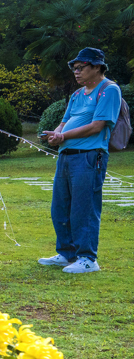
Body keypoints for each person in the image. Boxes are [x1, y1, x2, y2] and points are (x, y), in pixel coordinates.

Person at [38, 47, 121, 274]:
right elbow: (64, 122)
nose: (76, 72)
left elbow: (97, 126)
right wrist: (55, 135)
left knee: (84, 208)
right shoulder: (76, 95)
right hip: (65, 156)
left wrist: (63, 136)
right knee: (60, 207)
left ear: (97, 67)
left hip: (89, 157)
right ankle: (67, 253)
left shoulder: (108, 90)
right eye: (75, 68)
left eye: (81, 67)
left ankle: (88, 259)